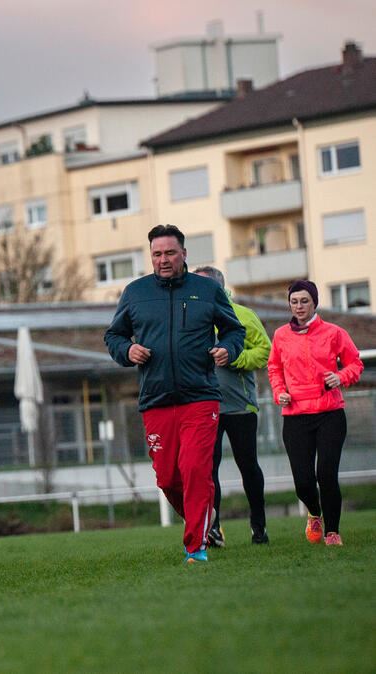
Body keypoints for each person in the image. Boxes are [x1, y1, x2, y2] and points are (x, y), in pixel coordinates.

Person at [104, 225, 244, 564]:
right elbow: (114, 336)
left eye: (169, 253)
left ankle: (195, 547)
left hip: (200, 397)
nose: (163, 260)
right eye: (157, 254)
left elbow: (233, 329)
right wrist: (128, 350)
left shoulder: (207, 290)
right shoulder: (135, 293)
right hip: (156, 400)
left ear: (183, 254)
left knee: (196, 470)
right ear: (150, 256)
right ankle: (204, 519)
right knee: (168, 478)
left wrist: (227, 348)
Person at [267, 280, 363, 546]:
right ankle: (314, 513)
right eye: (294, 301)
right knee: (303, 482)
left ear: (314, 303)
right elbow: (274, 368)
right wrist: (279, 392)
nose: (299, 306)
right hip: (295, 415)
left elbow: (355, 363)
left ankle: (333, 532)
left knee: (327, 475)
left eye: (304, 301)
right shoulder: (281, 336)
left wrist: (340, 376)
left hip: (329, 413)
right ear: (289, 304)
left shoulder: (334, 333)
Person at [194, 266, 271, 546]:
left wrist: (234, 357)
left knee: (248, 466)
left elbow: (264, 351)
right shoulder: (191, 316)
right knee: (208, 471)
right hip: (203, 406)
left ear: (217, 287)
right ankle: (214, 529)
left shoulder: (243, 315)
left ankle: (259, 526)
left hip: (239, 406)